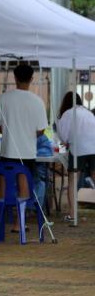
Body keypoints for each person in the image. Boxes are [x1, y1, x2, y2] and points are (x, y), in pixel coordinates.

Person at [0, 63, 48, 232]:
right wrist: (27, 134)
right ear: (31, 79)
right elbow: (41, 130)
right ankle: (19, 223)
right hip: (27, 153)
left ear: (15, 78)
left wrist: (10, 132)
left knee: (2, 184)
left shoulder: (3, 98)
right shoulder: (38, 101)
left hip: (7, 151)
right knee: (23, 185)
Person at [56, 91, 95, 222]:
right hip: (94, 147)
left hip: (78, 149)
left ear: (66, 103)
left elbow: (64, 137)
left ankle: (73, 215)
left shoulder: (67, 114)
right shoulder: (88, 113)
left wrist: (62, 146)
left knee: (73, 181)